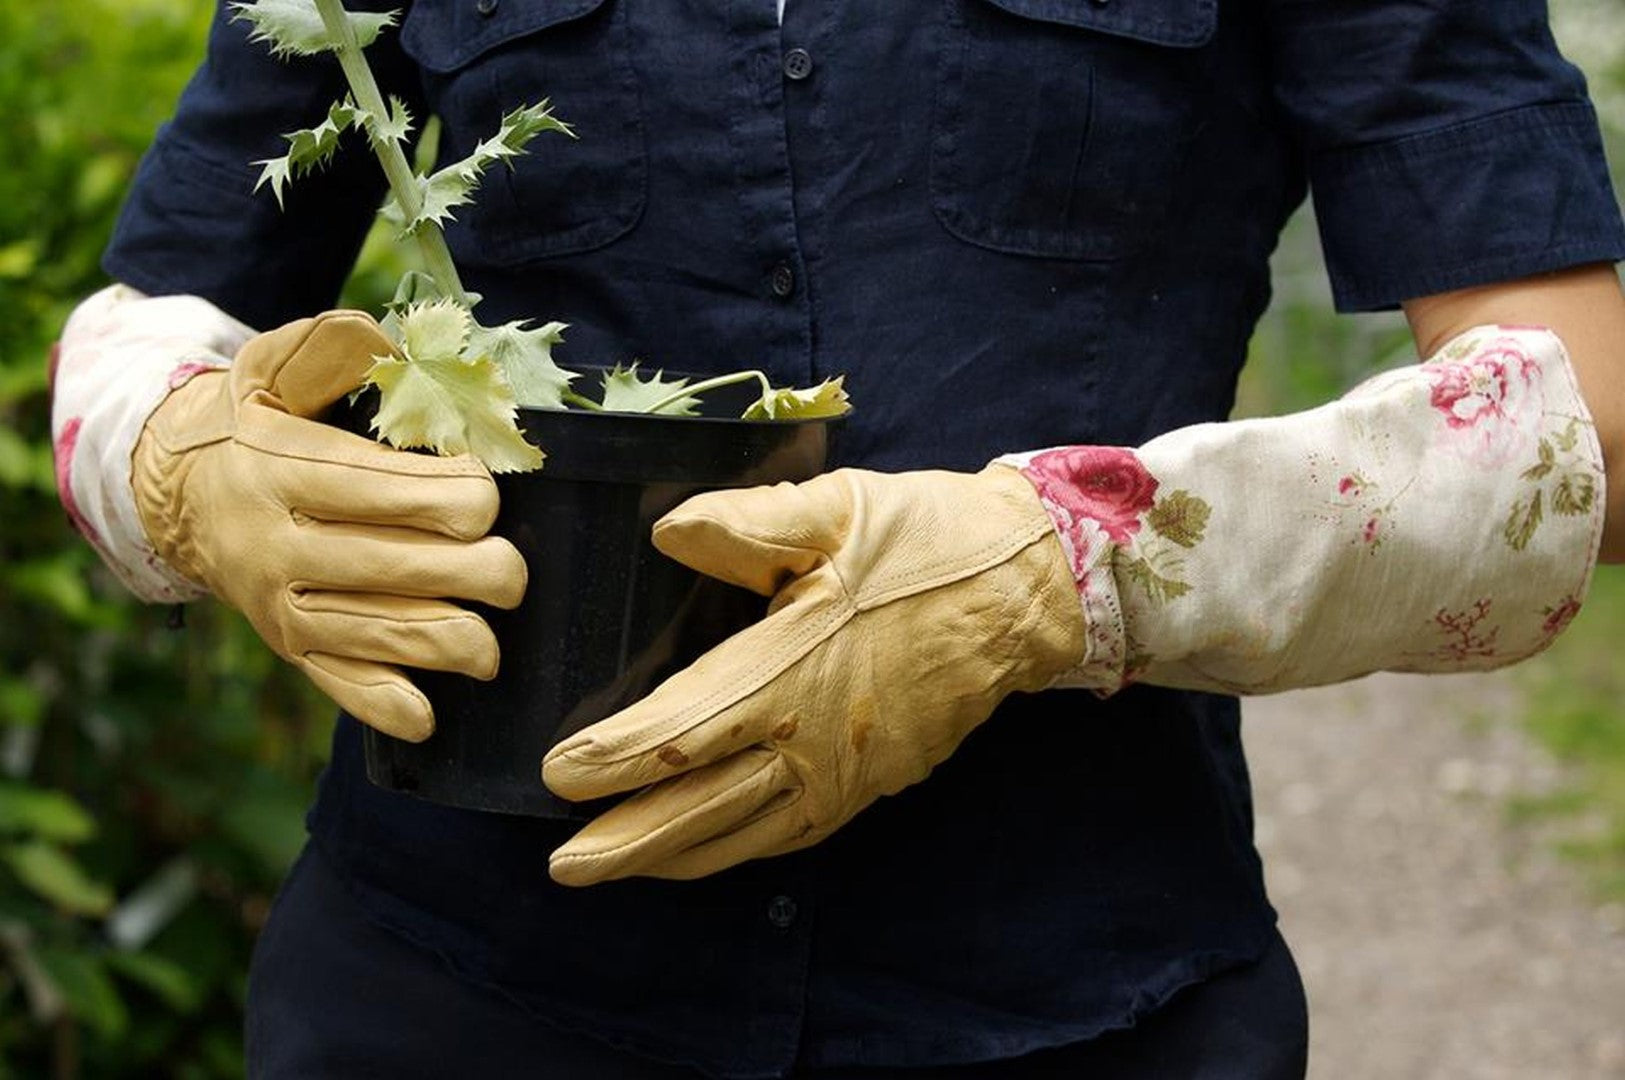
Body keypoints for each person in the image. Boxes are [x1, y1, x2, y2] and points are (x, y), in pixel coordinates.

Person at [50, 1, 1625, 1077]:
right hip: (446, 983)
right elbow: (150, 320)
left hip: (1080, 991)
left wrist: (1052, 566)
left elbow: (1587, 434)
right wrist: (181, 458)